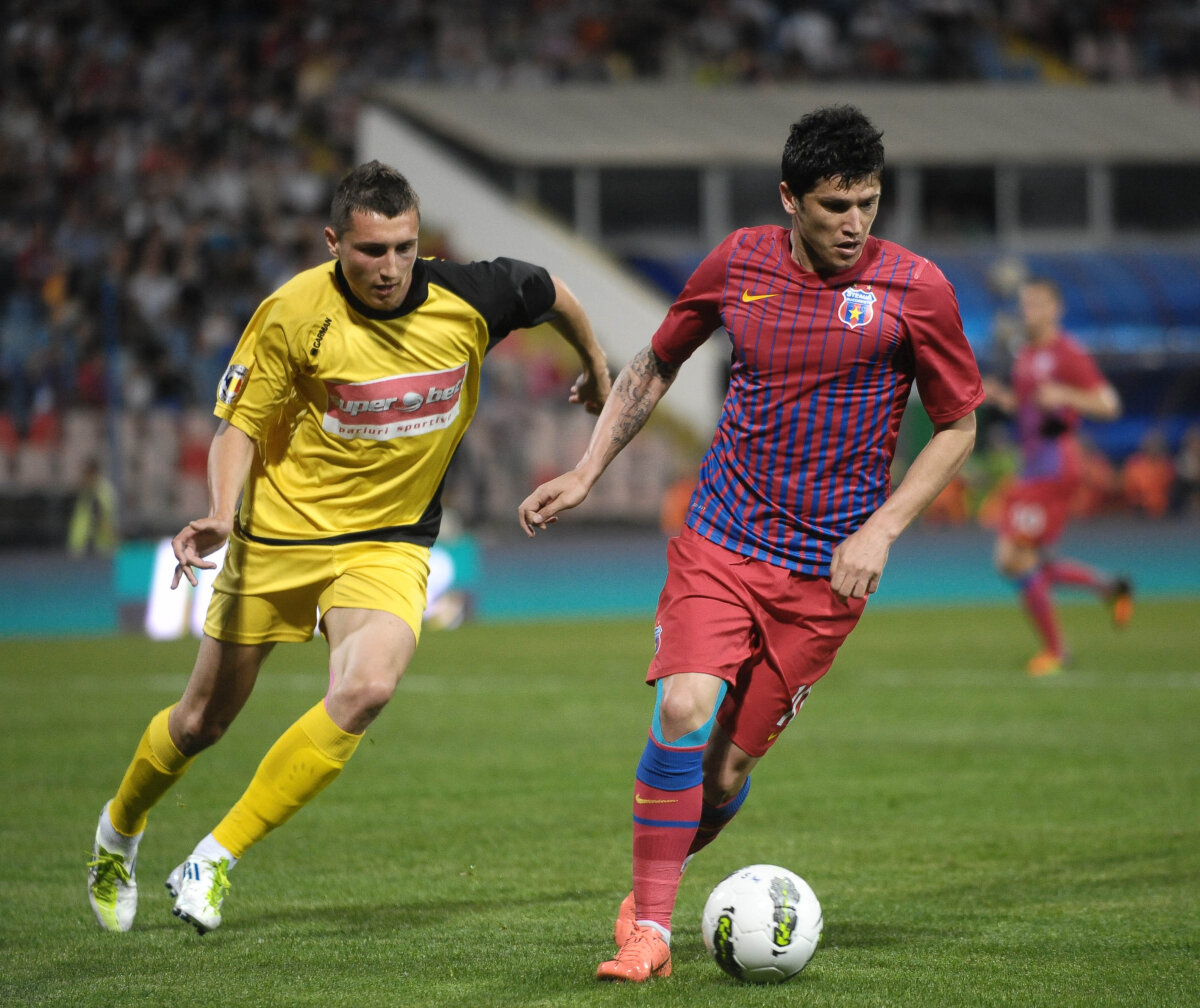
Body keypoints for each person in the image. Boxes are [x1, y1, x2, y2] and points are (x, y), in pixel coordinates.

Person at [519, 105, 983, 983]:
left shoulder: (916, 290)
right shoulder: (739, 263)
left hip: (828, 574)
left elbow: (960, 425)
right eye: (834, 206)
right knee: (685, 709)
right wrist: (587, 469)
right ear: (789, 200)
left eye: (868, 204)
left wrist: (882, 528)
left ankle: (661, 876)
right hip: (721, 540)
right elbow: (657, 362)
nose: (854, 225)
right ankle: (650, 931)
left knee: (726, 773)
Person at [87, 160, 611, 934]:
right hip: (280, 533)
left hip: (390, 540)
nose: (390, 267)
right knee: (201, 722)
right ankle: (116, 835)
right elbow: (238, 429)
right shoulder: (295, 312)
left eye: (403, 247)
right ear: (335, 243)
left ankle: (213, 857)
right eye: (371, 251)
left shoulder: (473, 296)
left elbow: (551, 291)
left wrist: (597, 368)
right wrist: (221, 512)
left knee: (366, 690)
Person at [982, 277, 1132, 676]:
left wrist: (1067, 395)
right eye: (1025, 304)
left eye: (1036, 304)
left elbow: (1108, 404)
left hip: (1054, 463)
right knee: (1020, 558)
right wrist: (1004, 399)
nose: (1028, 311)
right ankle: (1108, 586)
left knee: (1013, 557)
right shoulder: (1027, 355)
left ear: (1055, 309)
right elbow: (1031, 409)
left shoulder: (1067, 353)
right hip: (1034, 463)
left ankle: (1056, 652)